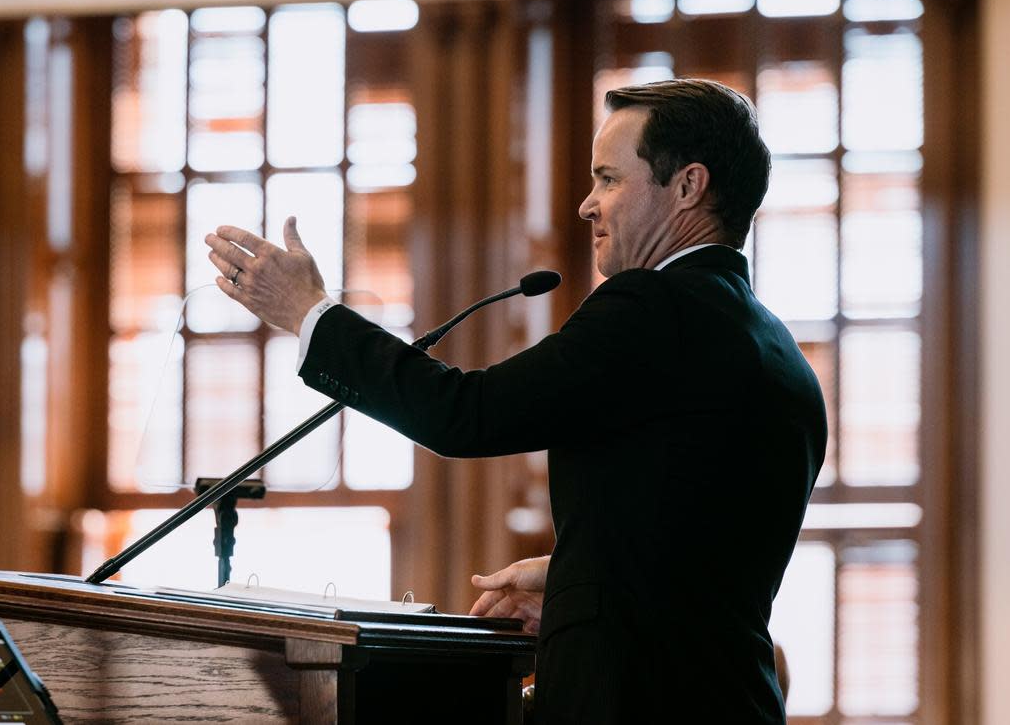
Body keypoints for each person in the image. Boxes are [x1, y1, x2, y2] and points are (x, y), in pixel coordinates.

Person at [205, 79, 827, 723]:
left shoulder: (653, 308)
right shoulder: (779, 352)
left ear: (688, 186)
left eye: (609, 179)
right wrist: (574, 581)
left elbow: (465, 415)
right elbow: (698, 555)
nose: (588, 205)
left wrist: (310, 314)